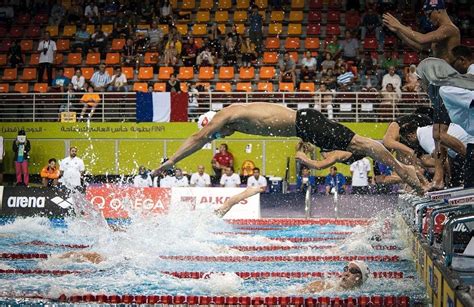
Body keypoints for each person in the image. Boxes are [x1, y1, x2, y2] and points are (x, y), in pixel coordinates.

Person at [154, 104, 424, 193]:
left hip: (305, 123)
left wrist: (172, 160)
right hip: (305, 128)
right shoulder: (233, 121)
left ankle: (404, 169)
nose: (218, 135)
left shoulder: (226, 114)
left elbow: (198, 138)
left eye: (214, 132)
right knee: (356, 147)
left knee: (360, 144)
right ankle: (406, 169)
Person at [383, 0, 460, 63]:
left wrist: (399, 25)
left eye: (428, 14)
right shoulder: (440, 30)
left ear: (438, 11)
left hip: (450, 77)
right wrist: (398, 31)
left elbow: (421, 39)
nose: (428, 19)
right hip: (442, 75)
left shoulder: (450, 29)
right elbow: (420, 47)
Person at [301, 261, 370, 293]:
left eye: (353, 270)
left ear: (361, 279)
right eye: (346, 269)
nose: (346, 273)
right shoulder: (322, 286)